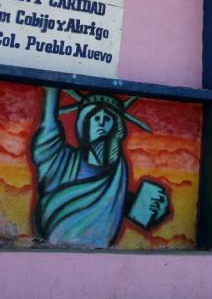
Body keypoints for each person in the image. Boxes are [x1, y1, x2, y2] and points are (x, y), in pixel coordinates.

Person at [31, 88, 169, 247]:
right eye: (96, 117)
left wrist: (152, 208)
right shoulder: (59, 160)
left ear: (115, 127)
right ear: (84, 125)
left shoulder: (118, 173)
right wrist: (52, 79)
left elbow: (110, 204)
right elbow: (48, 124)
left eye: (108, 118)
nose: (102, 121)